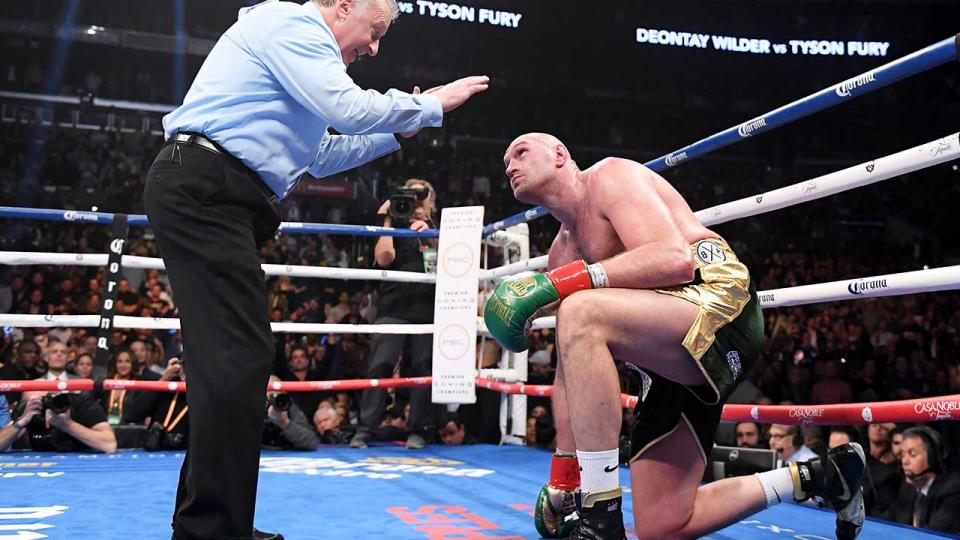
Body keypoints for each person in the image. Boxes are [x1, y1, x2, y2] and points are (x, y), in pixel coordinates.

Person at [142, 0, 487, 536]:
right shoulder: (292, 23)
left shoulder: (301, 61)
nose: (374, 48)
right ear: (343, 5)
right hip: (207, 187)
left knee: (231, 361)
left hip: (220, 195)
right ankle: (210, 528)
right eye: (373, 32)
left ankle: (212, 522)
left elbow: (321, 155)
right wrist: (430, 105)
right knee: (237, 358)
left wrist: (398, 132)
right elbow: (348, 108)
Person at [484, 133, 865, 539]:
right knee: (664, 524)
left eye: (520, 153)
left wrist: (566, 283)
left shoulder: (610, 178)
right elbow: (569, 373)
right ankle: (822, 475)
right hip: (665, 352)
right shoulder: (562, 254)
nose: (510, 166)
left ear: (560, 154)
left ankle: (600, 518)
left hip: (717, 302)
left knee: (581, 309)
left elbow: (675, 259)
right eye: (506, 161)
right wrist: (562, 479)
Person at [350, 178, 440, 450]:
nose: (413, 200)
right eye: (408, 194)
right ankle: (364, 430)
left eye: (420, 195)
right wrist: (388, 221)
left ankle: (419, 430)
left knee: (422, 369)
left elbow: (445, 261)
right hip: (393, 306)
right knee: (380, 365)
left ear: (429, 201)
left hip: (426, 307)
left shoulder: (437, 229)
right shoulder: (392, 224)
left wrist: (427, 232)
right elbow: (384, 258)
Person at [884, 426, 960, 534]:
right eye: (903, 454)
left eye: (912, 454)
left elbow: (934, 534)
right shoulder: (908, 486)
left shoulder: (953, 489)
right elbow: (889, 520)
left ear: (933, 458)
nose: (904, 461)